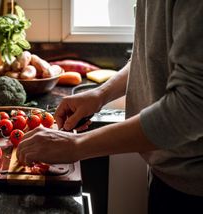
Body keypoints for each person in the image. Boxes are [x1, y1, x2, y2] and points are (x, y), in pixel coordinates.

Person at [17, 0, 203, 213]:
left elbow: (192, 107)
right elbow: (150, 54)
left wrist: (75, 145)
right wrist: (100, 94)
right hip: (169, 171)